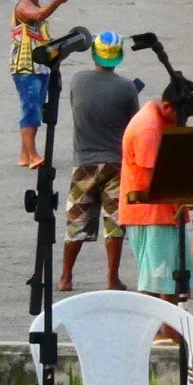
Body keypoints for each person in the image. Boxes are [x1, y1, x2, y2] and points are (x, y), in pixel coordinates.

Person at [62, 30, 137, 293]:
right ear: (118, 58)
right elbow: (132, 125)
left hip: (84, 162)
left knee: (76, 221)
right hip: (116, 164)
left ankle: (66, 276)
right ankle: (112, 277)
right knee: (115, 222)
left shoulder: (78, 80)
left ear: (94, 54)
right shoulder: (127, 88)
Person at [119, 77, 193, 302]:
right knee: (160, 279)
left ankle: (169, 330)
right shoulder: (149, 127)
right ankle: (160, 333)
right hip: (152, 212)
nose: (182, 123)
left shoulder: (164, 119)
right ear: (167, 107)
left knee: (172, 279)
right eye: (181, 118)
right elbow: (156, 177)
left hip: (166, 211)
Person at [12, 0, 70, 169]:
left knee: (35, 108)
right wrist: (57, 1)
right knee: (31, 109)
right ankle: (32, 153)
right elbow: (38, 15)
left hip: (41, 67)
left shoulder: (35, 6)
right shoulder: (24, 6)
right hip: (26, 66)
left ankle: (24, 153)